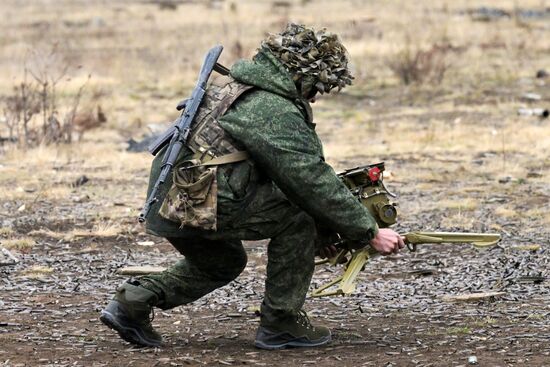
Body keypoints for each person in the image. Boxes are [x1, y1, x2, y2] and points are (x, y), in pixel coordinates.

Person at [100, 23, 404, 350]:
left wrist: (320, 235)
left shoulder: (236, 87)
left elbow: (274, 170)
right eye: (317, 86)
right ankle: (282, 323)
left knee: (222, 262)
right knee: (298, 217)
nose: (317, 95)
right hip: (199, 200)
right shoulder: (268, 108)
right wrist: (368, 231)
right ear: (300, 76)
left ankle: (132, 302)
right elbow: (308, 177)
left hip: (170, 201)